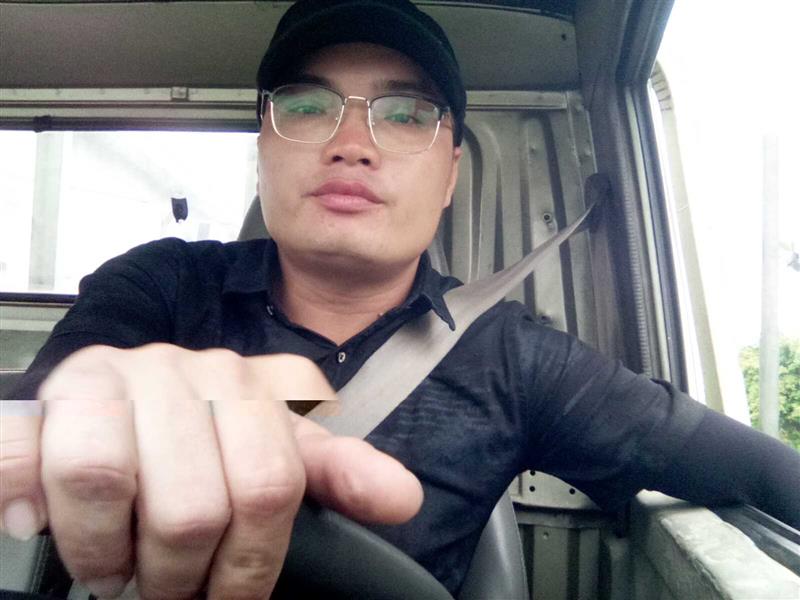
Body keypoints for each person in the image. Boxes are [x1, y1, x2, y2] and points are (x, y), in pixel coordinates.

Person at [1, 0, 798, 598]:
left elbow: (759, 472)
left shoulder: (516, 357)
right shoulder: (161, 286)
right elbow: (41, 407)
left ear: (450, 173)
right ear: (264, 150)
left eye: (408, 114)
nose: (351, 143)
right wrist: (83, 407)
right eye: (306, 107)